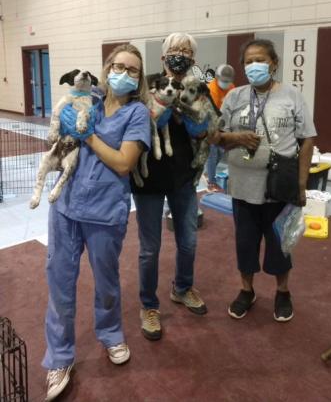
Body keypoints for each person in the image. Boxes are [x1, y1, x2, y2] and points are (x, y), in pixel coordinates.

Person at [42, 44, 151, 401]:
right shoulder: (87, 97)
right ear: (106, 68)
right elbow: (60, 132)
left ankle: (111, 334)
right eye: (118, 66)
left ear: (138, 79)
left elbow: (123, 163)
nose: (123, 73)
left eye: (132, 70)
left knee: (106, 281)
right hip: (66, 206)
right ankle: (59, 357)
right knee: (59, 283)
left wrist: (87, 135)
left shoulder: (137, 113)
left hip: (105, 212)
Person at [215, 39, 316, 322]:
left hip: (278, 188)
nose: (253, 66)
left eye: (259, 60)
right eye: (248, 61)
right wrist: (236, 138)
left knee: (279, 243)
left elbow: (307, 138)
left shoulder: (291, 96)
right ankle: (246, 290)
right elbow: (216, 136)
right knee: (245, 243)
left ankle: (282, 292)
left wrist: (301, 184)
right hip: (242, 187)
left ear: (274, 63)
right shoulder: (234, 97)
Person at [131, 32, 209, 342]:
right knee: (149, 249)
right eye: (175, 50)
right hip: (149, 177)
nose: (180, 54)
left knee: (188, 241)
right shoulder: (147, 83)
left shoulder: (198, 88)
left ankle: (182, 288)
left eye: (186, 51)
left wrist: (197, 120)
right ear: (163, 56)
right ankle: (148, 306)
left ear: (193, 57)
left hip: (183, 177)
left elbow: (207, 129)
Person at [205, 64, 235, 192]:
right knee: (212, 152)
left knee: (221, 152)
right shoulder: (211, 89)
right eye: (223, 80)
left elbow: (233, 106)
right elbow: (212, 112)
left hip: (224, 124)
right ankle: (211, 182)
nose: (226, 83)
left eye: (228, 81)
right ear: (217, 77)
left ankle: (207, 173)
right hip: (210, 122)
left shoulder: (232, 88)